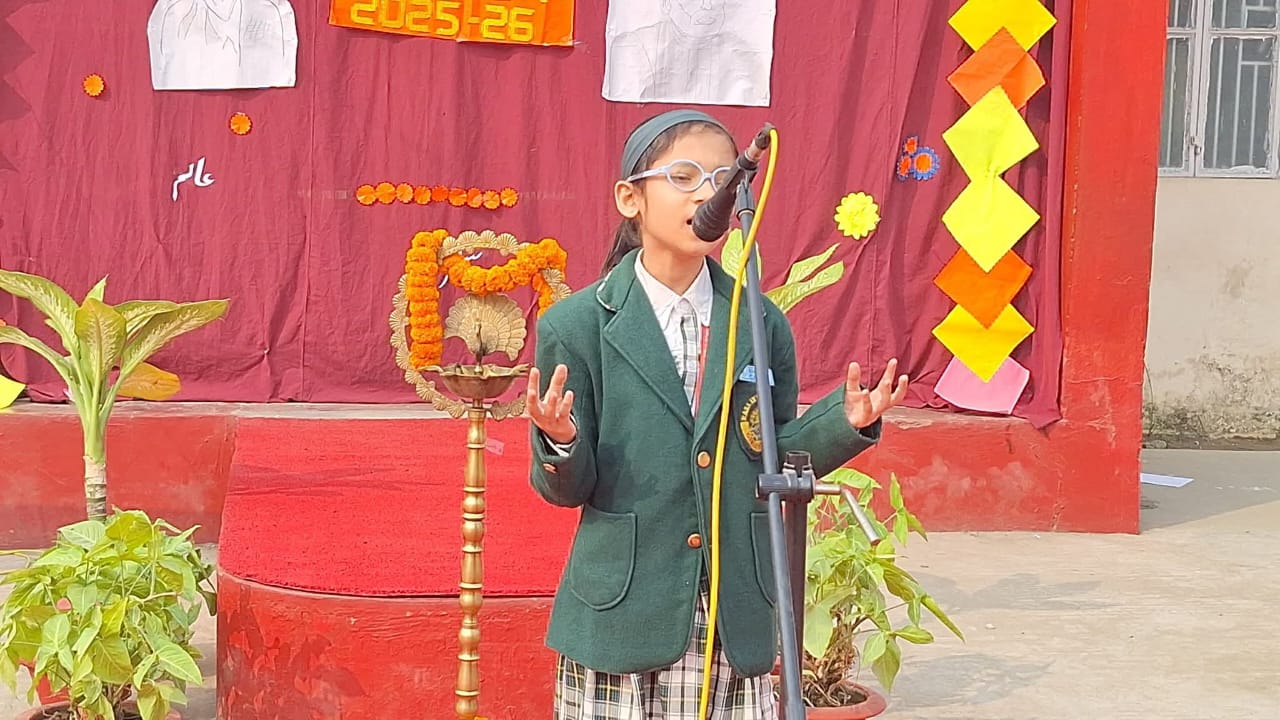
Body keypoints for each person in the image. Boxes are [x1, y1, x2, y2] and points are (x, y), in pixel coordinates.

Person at [526, 109, 908, 719]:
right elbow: (567, 491)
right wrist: (561, 441)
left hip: (732, 607)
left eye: (723, 179)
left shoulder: (759, 320)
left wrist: (845, 422)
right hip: (624, 606)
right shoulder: (577, 325)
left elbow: (772, 453)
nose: (708, 194)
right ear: (630, 198)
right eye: (684, 176)